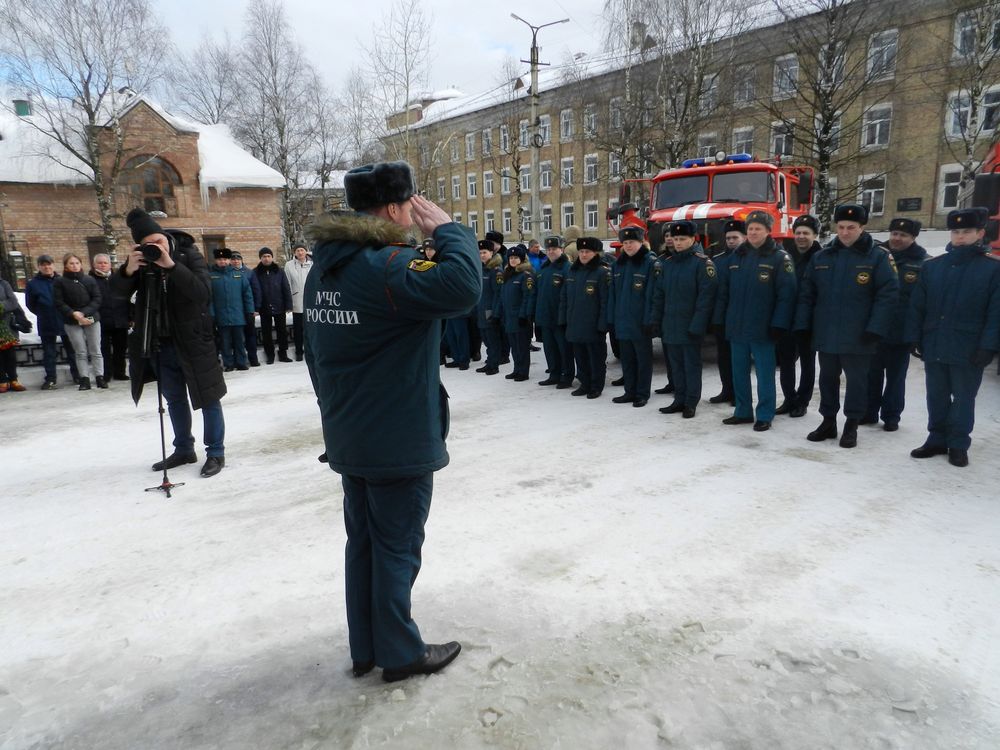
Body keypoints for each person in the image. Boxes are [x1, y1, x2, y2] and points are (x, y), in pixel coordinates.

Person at [304, 161, 476, 682]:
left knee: (364, 544)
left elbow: (314, 354)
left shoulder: (323, 269)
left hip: (351, 433)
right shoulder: (386, 265)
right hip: (396, 436)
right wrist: (450, 231)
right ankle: (399, 653)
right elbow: (462, 287)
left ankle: (367, 647)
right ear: (398, 208)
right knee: (397, 546)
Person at [112, 208, 228, 478]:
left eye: (158, 241)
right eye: (148, 244)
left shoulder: (189, 254)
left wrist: (172, 266)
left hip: (194, 342)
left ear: (165, 237)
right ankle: (184, 449)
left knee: (208, 398)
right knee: (174, 400)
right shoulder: (141, 265)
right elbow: (115, 295)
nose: (155, 247)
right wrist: (128, 271)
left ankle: (216, 452)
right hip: (160, 344)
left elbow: (202, 293)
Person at [794, 204, 898, 448]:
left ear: (862, 227)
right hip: (826, 332)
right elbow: (807, 294)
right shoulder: (822, 257)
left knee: (857, 382)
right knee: (827, 379)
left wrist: (875, 328)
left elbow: (888, 295)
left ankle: (852, 424)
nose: (845, 232)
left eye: (851, 227)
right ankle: (828, 421)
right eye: (840, 227)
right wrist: (803, 325)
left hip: (859, 335)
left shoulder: (878, 257)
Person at [906, 207, 1000, 467]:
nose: (960, 236)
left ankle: (958, 443)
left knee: (963, 397)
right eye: (956, 231)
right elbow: (918, 306)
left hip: (968, 347)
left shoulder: (992, 269)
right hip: (935, 342)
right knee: (936, 395)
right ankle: (936, 438)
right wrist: (914, 337)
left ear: (980, 233)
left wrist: (988, 346)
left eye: (966, 231)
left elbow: (996, 313)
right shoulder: (933, 267)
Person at [714, 210, 796, 431]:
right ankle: (742, 411)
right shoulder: (736, 256)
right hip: (737, 327)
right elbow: (724, 292)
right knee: (739, 372)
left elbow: (787, 295)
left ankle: (765, 414)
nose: (753, 232)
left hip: (763, 329)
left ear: (768, 231)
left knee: (764, 373)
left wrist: (779, 324)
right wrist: (719, 319)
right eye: (750, 229)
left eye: (757, 229)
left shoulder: (779, 258)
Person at [863, 218, 928, 431]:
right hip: (875, 329)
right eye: (894, 234)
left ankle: (891, 416)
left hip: (901, 332)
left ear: (913, 237)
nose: (897, 238)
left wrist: (916, 334)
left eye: (903, 235)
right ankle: (869, 412)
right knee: (871, 375)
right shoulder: (876, 256)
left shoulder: (923, 263)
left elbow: (923, 303)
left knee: (896, 379)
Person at [650, 220, 717, 417]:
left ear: (692, 239)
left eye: (682, 239)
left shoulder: (702, 264)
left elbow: (706, 299)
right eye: (675, 239)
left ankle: (691, 402)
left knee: (691, 366)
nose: (677, 243)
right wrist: (656, 321)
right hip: (670, 326)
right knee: (676, 366)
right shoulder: (668, 264)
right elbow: (659, 296)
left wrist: (698, 325)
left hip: (690, 327)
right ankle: (679, 399)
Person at [776, 215, 822, 418]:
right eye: (798, 233)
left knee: (807, 362)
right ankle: (789, 398)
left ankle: (802, 401)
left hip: (809, 320)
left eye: (806, 233)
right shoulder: (785, 256)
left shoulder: (822, 257)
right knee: (785, 361)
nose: (801, 236)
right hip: (787, 317)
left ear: (815, 235)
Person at [608, 227, 657, 407]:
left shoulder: (650, 263)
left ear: (641, 242)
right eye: (625, 243)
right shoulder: (618, 264)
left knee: (643, 360)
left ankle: (642, 393)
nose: (628, 246)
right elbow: (612, 294)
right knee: (627, 359)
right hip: (623, 321)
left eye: (632, 242)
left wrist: (650, 320)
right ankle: (629, 391)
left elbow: (652, 295)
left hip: (640, 322)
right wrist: (611, 318)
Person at [560, 236, 610, 399]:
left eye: (587, 251)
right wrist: (564, 319)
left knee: (596, 358)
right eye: (581, 251)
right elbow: (565, 298)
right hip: (575, 323)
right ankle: (585, 383)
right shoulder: (572, 271)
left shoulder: (601, 272)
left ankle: (596, 386)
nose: (583, 255)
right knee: (580, 357)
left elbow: (605, 301)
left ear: (595, 253)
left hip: (593, 325)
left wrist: (603, 324)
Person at [26, 254, 81, 389]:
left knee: (72, 350)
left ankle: (77, 376)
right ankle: (50, 379)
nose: (47, 267)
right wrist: (43, 311)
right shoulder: (33, 284)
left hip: (65, 319)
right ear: (39, 267)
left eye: (49, 264)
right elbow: (30, 304)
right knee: (49, 352)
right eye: (43, 265)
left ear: (53, 265)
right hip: (46, 321)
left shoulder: (62, 280)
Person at [54, 253, 105, 390]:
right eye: (71, 263)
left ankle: (100, 377)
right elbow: (59, 302)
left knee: (95, 349)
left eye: (77, 263)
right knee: (80, 351)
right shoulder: (60, 282)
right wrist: (73, 313)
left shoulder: (89, 280)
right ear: (65, 266)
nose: (75, 266)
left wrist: (84, 313)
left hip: (91, 318)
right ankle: (84, 379)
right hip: (72, 320)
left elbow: (97, 298)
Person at [708, 219, 743, 406]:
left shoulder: (747, 259)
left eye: (735, 237)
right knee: (723, 357)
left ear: (744, 237)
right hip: (722, 317)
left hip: (740, 317)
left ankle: (739, 394)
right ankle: (726, 390)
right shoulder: (718, 260)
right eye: (728, 238)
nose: (730, 241)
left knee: (739, 359)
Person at [534, 235, 574, 388]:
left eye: (554, 249)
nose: (551, 252)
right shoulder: (543, 269)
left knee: (564, 349)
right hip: (545, 316)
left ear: (561, 249)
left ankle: (567, 376)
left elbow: (569, 295)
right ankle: (554, 374)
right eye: (548, 249)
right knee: (550, 349)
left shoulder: (567, 268)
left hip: (560, 317)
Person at [209, 248, 255, 371]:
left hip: (238, 315)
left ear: (229, 260)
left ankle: (241, 362)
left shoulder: (239, 275)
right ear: (216, 260)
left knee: (239, 341)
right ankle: (228, 363)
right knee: (225, 342)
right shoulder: (211, 277)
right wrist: (212, 314)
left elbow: (247, 295)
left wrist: (249, 311)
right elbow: (209, 298)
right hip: (221, 316)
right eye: (220, 259)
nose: (222, 261)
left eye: (225, 259)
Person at [496, 244, 535, 381]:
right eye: (511, 258)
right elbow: (502, 296)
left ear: (521, 259)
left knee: (522, 346)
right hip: (509, 317)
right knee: (514, 346)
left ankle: (523, 371)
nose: (513, 260)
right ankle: (517, 369)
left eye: (516, 258)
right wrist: (500, 313)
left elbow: (528, 297)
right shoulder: (508, 275)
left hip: (520, 317)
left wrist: (524, 315)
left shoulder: (525, 276)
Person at [90, 253, 130, 381]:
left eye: (105, 263)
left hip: (120, 319)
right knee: (104, 350)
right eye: (99, 263)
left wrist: (130, 316)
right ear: (94, 265)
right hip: (101, 320)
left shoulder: (118, 278)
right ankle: (106, 374)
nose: (102, 265)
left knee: (121, 348)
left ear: (110, 264)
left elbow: (127, 297)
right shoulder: (90, 280)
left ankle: (120, 372)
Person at [254, 247, 293, 364]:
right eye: (264, 256)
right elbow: (254, 290)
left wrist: (288, 304)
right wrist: (256, 307)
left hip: (279, 305)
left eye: (268, 256)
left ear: (272, 257)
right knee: (266, 333)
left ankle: (283, 353)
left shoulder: (279, 271)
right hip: (264, 307)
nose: (266, 259)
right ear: (260, 258)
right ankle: (270, 355)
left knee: (282, 331)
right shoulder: (255, 272)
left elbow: (286, 287)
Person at [475, 239, 504, 376]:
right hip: (481, 309)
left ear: (492, 253)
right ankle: (490, 361)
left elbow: (498, 293)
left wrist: (496, 313)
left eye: (484, 252)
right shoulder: (481, 268)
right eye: (480, 252)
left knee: (492, 339)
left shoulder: (496, 271)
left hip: (490, 310)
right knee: (485, 338)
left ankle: (494, 364)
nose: (482, 255)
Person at [0, 278, 32, 392]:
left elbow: (13, 302)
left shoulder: (3, 283)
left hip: (6, 324)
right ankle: (2, 381)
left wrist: (1, 306)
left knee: (10, 354)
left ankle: (13, 379)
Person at [231, 252, 262, 366]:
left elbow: (256, 290)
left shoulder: (249, 273)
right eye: (233, 259)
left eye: (238, 259)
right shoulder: (228, 273)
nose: (236, 261)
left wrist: (256, 308)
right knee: (237, 337)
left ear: (241, 260)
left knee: (250, 335)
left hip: (248, 310)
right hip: (235, 311)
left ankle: (253, 359)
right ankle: (239, 360)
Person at [285, 243, 313, 361]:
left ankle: (311, 351)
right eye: (297, 251)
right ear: (294, 253)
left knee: (311, 330)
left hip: (311, 302)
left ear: (306, 251)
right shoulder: (289, 265)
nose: (300, 252)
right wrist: (289, 302)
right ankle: (299, 352)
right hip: (297, 302)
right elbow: (287, 284)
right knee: (298, 330)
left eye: (302, 250)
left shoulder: (313, 263)